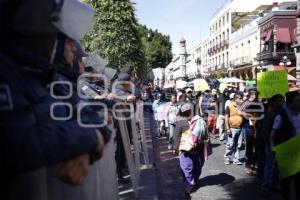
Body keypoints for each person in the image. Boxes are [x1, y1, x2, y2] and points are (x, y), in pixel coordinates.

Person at [0, 1, 108, 199]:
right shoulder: (7, 73)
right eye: (67, 43)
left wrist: (88, 149)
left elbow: (92, 116)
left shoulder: (50, 78)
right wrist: (87, 137)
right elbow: (16, 142)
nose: (72, 52)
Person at [271, 91, 300, 200]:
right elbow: (273, 133)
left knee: (298, 180)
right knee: (286, 180)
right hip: (286, 153)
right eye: (297, 101)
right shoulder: (281, 116)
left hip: (298, 152)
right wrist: (272, 147)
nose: (299, 103)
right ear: (290, 103)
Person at [174, 104, 206, 194]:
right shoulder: (180, 122)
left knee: (198, 167)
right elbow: (176, 135)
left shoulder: (200, 121)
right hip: (185, 150)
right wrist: (175, 148)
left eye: (189, 111)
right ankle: (189, 185)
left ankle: (195, 181)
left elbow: (204, 135)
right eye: (185, 112)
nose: (187, 113)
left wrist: (199, 140)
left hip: (198, 149)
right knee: (186, 168)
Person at [239, 90, 259, 174]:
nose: (257, 97)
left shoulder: (258, 103)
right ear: (252, 95)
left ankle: (254, 164)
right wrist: (250, 115)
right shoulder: (246, 103)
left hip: (257, 127)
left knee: (257, 146)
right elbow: (239, 112)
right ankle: (248, 165)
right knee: (249, 147)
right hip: (248, 127)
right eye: (256, 95)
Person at [224, 93, 244, 165]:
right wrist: (227, 128)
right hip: (232, 128)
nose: (241, 100)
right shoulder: (229, 106)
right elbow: (226, 118)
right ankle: (227, 158)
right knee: (230, 144)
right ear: (235, 99)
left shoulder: (242, 107)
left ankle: (236, 159)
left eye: (242, 98)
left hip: (240, 128)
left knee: (238, 145)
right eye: (240, 98)